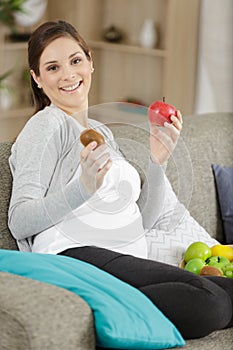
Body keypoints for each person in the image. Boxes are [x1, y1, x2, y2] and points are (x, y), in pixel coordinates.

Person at [8, 20, 233, 340]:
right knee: (211, 304)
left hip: (124, 255)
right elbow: (19, 220)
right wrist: (83, 188)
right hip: (75, 255)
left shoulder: (104, 132)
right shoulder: (45, 127)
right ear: (38, 79)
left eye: (75, 61)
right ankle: (89, 311)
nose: (69, 74)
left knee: (227, 294)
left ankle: (111, 309)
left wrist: (158, 162)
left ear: (90, 61)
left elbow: (141, 221)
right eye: (53, 67)